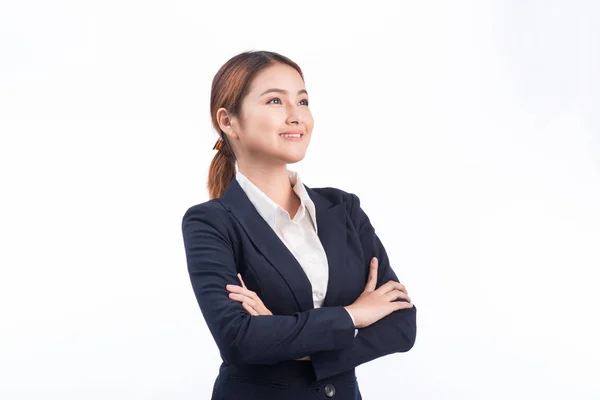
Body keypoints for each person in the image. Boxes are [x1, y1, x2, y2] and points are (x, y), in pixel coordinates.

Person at [181, 50, 417, 400]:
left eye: (303, 101)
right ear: (228, 121)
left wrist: (286, 339)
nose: (296, 116)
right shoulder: (211, 222)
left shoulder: (343, 208)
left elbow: (401, 325)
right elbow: (240, 341)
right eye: (275, 100)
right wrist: (354, 315)